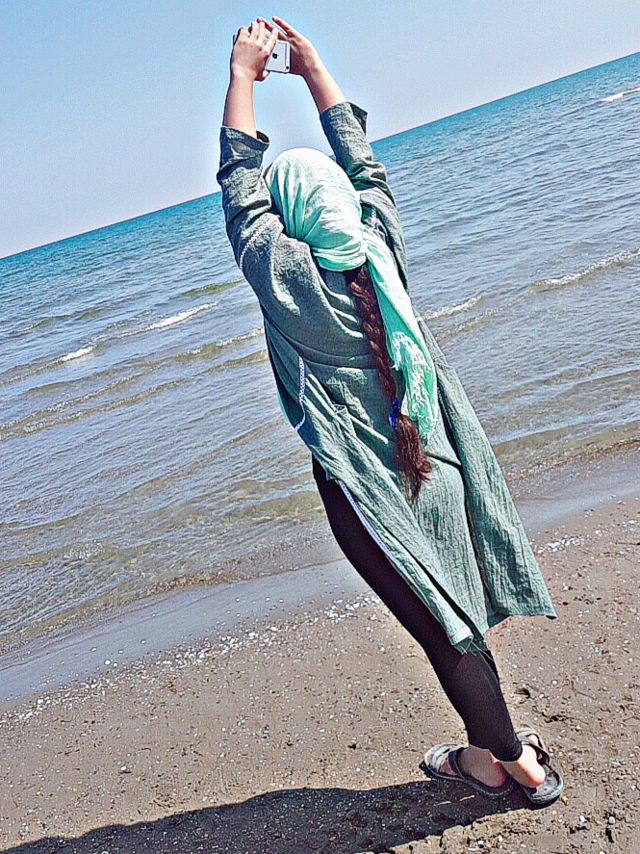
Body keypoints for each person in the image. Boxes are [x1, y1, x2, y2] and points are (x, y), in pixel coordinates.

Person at [217, 16, 564, 806]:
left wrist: (241, 75)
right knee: (453, 615)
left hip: (367, 494)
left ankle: (517, 764)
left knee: (441, 629)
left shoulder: (285, 275)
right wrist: (312, 70)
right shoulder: (381, 245)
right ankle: (485, 755)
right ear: (344, 204)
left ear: (288, 218)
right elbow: (362, 164)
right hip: (437, 463)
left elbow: (239, 180)